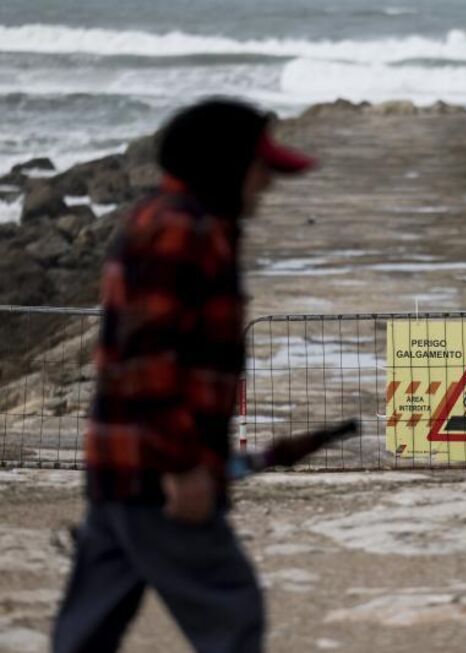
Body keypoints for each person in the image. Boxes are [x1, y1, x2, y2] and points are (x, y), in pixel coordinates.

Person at [52, 98, 315, 653]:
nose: (267, 183)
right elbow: (147, 359)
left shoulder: (166, 220)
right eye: (260, 166)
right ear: (224, 164)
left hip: (120, 465)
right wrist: (183, 466)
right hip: (155, 470)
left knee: (88, 628)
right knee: (232, 613)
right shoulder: (182, 231)